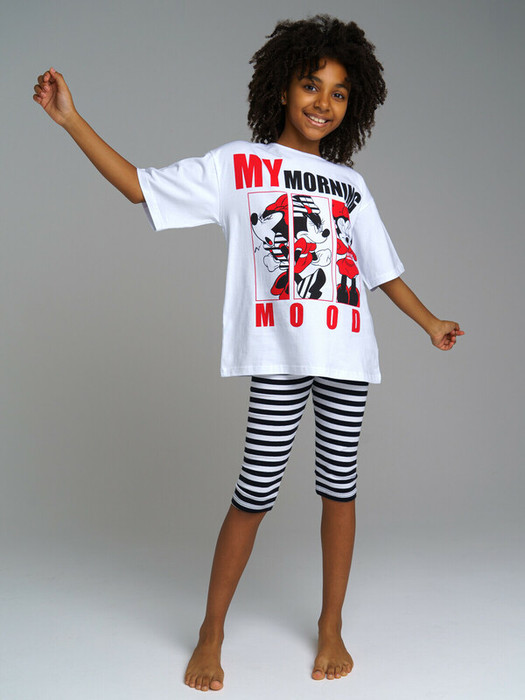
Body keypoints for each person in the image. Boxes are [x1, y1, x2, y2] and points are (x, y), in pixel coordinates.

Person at [33, 15, 464, 693]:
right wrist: (71, 121)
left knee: (339, 488)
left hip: (346, 355)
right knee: (255, 491)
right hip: (279, 356)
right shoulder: (240, 165)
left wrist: (429, 321)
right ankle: (211, 632)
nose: (323, 102)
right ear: (281, 88)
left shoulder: (351, 186)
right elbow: (140, 186)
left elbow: (380, 269)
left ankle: (330, 625)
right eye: (311, 85)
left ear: (352, 105)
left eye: (339, 92)